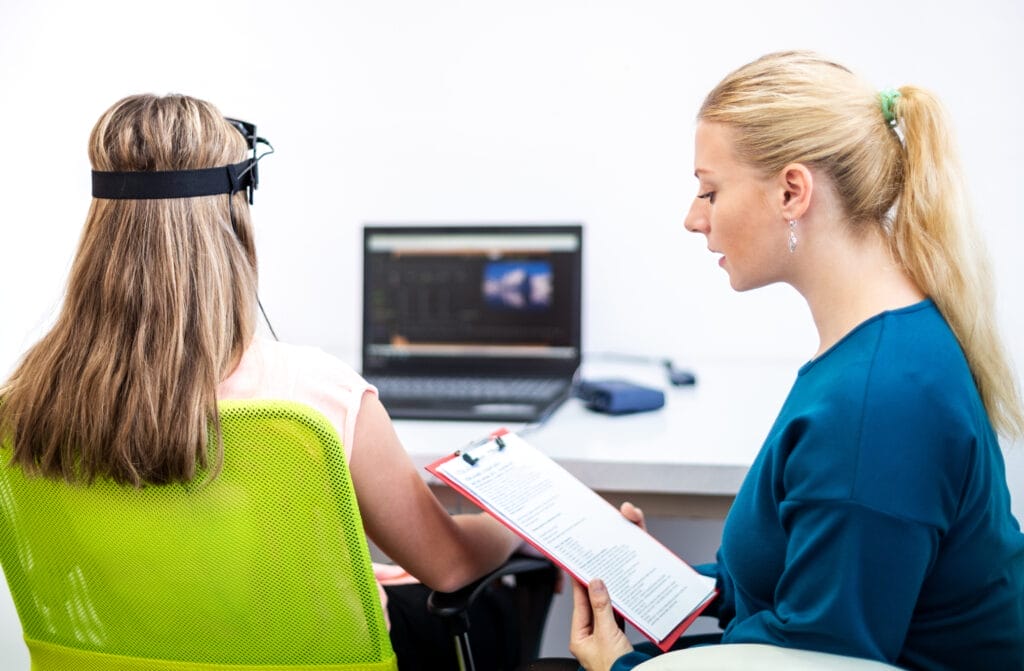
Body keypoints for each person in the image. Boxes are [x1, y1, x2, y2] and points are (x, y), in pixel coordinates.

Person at [0, 93, 531, 671]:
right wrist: (513, 526)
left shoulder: (25, 404)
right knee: (505, 593)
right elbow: (449, 566)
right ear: (234, 214)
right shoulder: (311, 395)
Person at [569, 51, 1024, 671]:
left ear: (792, 191)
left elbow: (822, 659)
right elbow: (806, 571)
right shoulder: (878, 346)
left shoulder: (876, 401)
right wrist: (659, 582)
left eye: (709, 189)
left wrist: (618, 667)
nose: (692, 218)